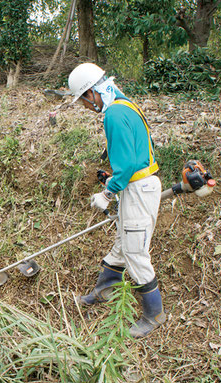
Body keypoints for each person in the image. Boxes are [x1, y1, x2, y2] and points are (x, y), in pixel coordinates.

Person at [69, 62, 165, 338]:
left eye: (83, 102)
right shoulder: (126, 105)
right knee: (124, 241)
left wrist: (108, 193)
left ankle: (154, 314)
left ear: (91, 93)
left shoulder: (114, 114)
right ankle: (104, 290)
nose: (86, 108)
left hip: (137, 188)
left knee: (135, 251)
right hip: (137, 186)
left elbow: (128, 163)